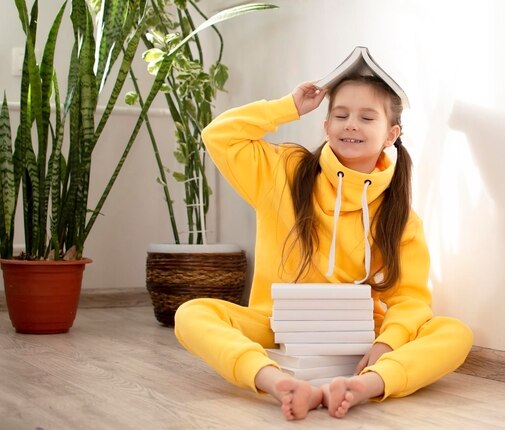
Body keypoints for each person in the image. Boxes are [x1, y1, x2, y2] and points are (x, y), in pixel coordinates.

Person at [174, 75, 473, 420]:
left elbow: (410, 298)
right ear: (326, 124)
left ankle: (366, 385)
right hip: (277, 326)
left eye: (367, 117)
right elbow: (219, 136)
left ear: (391, 134)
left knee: (454, 332)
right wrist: (289, 107)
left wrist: (387, 344)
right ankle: (277, 382)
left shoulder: (401, 217)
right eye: (341, 115)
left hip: (361, 335)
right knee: (193, 313)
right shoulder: (284, 172)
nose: (351, 126)